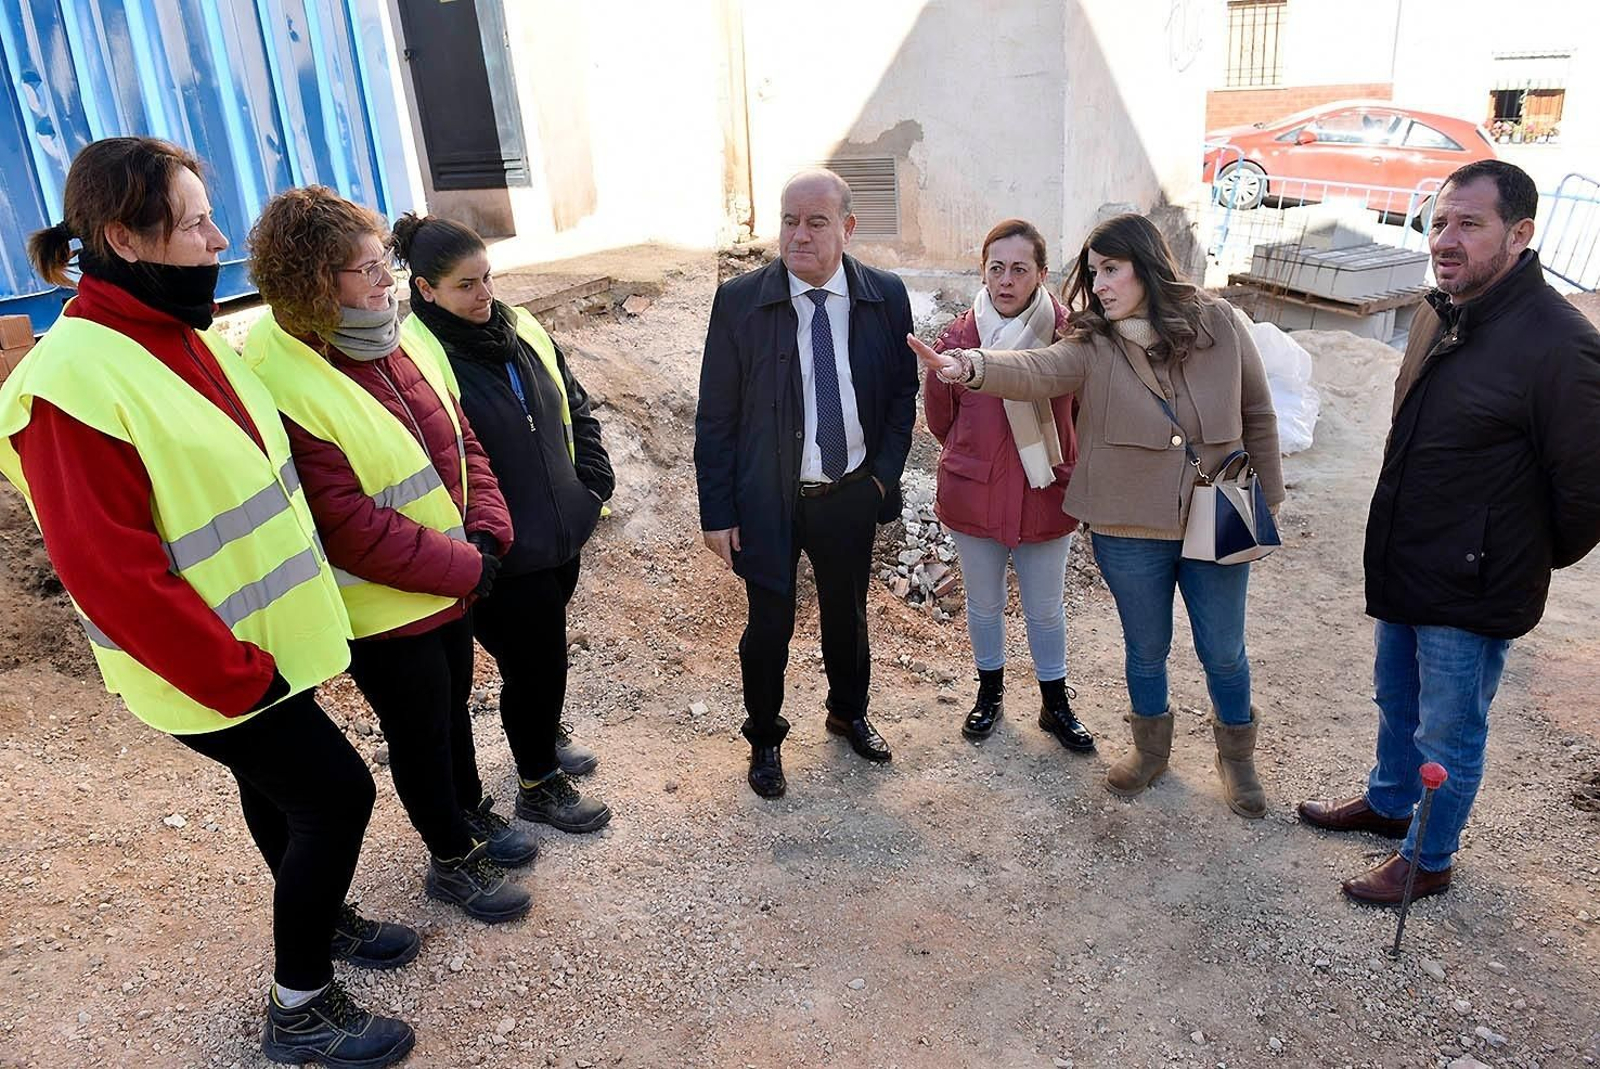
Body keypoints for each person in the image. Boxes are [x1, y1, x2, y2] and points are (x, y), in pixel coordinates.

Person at [0, 138, 414, 1067]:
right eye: (194, 224)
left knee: (286, 792)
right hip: (208, 668)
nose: (219, 239)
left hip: (261, 647)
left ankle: (325, 917)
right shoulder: (70, 386)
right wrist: (235, 676)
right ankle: (300, 1007)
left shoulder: (175, 334)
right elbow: (114, 575)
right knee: (337, 796)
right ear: (125, 238)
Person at [910, 213, 1284, 818]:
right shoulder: (1092, 341)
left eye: (1112, 270)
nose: (1100, 285)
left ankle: (1237, 759)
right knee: (1145, 647)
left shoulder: (1218, 322)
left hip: (1218, 510)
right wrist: (969, 367)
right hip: (1129, 524)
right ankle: (1150, 751)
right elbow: (1036, 370)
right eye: (1094, 273)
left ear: (1147, 265)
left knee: (1224, 649)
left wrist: (1267, 501)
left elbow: (1258, 413)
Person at [1299, 160, 1600, 904]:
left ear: (1520, 234)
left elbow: (1587, 490)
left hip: (1472, 582)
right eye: (1439, 222)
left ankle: (1429, 857)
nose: (1446, 239)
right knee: (1396, 701)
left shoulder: (1561, 343)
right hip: (1408, 555)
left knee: (1450, 731)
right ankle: (1389, 798)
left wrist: (1513, 551)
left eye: (1470, 223)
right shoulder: (1438, 312)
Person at [243, 186, 536, 923]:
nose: (386, 281)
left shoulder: (390, 334)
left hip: (453, 579)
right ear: (315, 280)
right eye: (368, 269)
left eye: (385, 264)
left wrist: (488, 530)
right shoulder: (282, 378)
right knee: (419, 730)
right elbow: (347, 522)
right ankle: (450, 858)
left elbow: (460, 439)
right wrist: (466, 564)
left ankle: (466, 810)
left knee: (453, 715)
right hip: (387, 605)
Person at [695, 169, 918, 799]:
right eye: (789, 220)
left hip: (849, 492)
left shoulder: (884, 295)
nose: (799, 234)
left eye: (816, 222)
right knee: (769, 626)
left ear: (847, 228)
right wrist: (717, 512)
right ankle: (764, 737)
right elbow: (715, 416)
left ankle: (849, 713)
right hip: (767, 500)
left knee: (848, 619)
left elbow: (903, 393)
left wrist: (882, 479)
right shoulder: (740, 300)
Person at [392, 211, 613, 834]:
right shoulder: (418, 356)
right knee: (534, 661)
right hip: (499, 547)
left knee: (540, 662)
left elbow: (573, 403)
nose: (485, 295)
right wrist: (481, 542)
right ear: (425, 289)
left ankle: (540, 733)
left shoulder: (520, 327)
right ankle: (539, 781)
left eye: (487, 278)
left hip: (559, 530)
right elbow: (436, 457)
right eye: (466, 285)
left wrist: (591, 485)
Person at [925, 219, 1094, 749]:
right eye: (996, 268)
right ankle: (989, 693)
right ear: (983, 271)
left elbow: (1084, 416)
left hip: (1046, 491)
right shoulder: (956, 338)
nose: (1005, 280)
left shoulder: (1069, 338)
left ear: (1042, 275)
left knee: (1045, 607)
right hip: (975, 490)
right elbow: (939, 420)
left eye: (1019, 269)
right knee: (983, 603)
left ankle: (1054, 704)